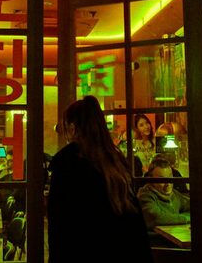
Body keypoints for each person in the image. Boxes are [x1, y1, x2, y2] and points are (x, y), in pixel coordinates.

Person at [47, 96, 153, 263]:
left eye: (64, 129)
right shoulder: (115, 160)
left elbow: (59, 228)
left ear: (73, 129)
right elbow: (134, 221)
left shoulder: (66, 164)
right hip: (120, 252)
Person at [137, 157, 190, 229]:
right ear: (151, 180)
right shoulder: (145, 195)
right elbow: (156, 217)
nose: (167, 183)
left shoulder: (175, 194)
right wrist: (185, 218)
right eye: (162, 180)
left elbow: (193, 207)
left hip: (172, 234)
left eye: (170, 178)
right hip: (156, 236)